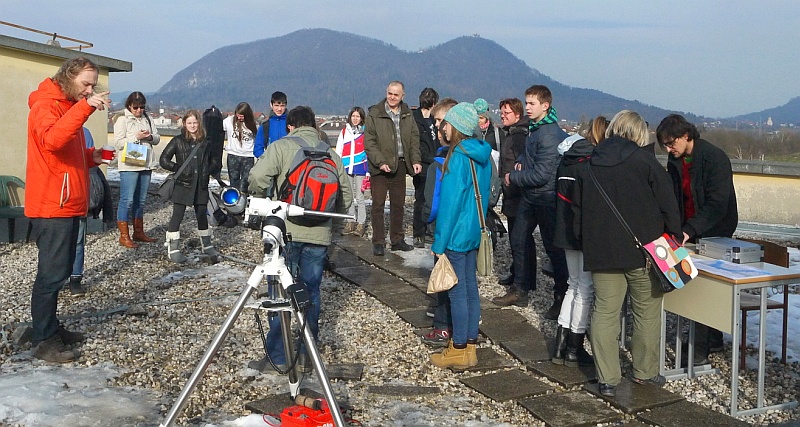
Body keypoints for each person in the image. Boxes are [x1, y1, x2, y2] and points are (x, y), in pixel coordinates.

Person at [574, 110, 681, 397]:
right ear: (638, 133)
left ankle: (607, 378)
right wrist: (674, 235)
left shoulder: (589, 163)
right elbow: (669, 206)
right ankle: (645, 372)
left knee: (605, 312)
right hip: (644, 252)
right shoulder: (646, 162)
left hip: (602, 252)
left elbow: (577, 212)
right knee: (646, 312)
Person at [247, 106, 353, 373]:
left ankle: (278, 355)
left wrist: (262, 202)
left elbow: (257, 177)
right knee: (311, 292)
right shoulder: (330, 153)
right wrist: (332, 227)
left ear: (291, 126)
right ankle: (307, 354)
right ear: (314, 125)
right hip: (319, 233)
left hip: (287, 232)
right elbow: (347, 197)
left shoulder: (282, 147)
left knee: (280, 293)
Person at [26, 56, 110, 362]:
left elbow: (63, 154)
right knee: (51, 274)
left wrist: (90, 157)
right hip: (53, 204)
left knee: (60, 271)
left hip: (67, 201)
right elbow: (51, 141)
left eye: (93, 86)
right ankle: (43, 339)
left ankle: (49, 327)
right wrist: (84, 108)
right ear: (68, 77)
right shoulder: (45, 106)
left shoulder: (66, 106)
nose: (89, 91)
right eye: (86, 84)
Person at [657, 113, 738, 364]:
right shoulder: (675, 160)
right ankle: (709, 339)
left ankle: (699, 347)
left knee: (705, 286)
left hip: (715, 230)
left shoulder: (715, 158)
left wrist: (689, 229)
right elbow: (675, 197)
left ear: (686, 135)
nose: (668, 149)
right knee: (693, 281)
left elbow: (717, 204)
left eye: (671, 143)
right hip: (689, 228)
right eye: (665, 145)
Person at [492, 85, 569, 322]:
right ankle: (520, 289)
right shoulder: (535, 130)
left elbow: (542, 174)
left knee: (554, 250)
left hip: (546, 198)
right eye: (526, 103)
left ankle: (561, 297)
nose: (527, 107)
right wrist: (522, 160)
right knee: (518, 240)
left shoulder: (549, 134)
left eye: (532, 103)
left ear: (545, 106)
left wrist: (513, 176)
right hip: (531, 196)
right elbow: (529, 156)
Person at [429, 99, 493, 369]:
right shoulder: (482, 154)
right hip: (474, 231)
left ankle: (457, 349)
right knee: (470, 290)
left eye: (446, 124)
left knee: (456, 293)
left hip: (455, 234)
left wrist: (439, 243)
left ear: (455, 127)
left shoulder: (457, 157)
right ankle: (470, 346)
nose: (442, 128)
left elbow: (449, 205)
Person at [551, 116, 609, 367]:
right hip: (584, 232)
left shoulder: (567, 159)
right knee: (585, 289)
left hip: (564, 230)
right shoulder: (592, 163)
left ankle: (560, 347)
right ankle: (574, 348)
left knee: (573, 285)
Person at [363, 80, 422, 256]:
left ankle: (397, 239)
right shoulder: (375, 113)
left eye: (396, 94)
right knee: (378, 205)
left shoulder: (408, 114)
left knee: (398, 205)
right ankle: (378, 241)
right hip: (379, 168)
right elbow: (369, 142)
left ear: (402, 96)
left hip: (401, 165)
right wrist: (380, 162)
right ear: (386, 92)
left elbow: (414, 139)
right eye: (390, 93)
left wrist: (416, 160)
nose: (392, 97)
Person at [420, 97, 458, 348]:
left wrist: (426, 220)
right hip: (464, 228)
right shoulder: (471, 157)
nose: (436, 126)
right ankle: (462, 325)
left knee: (443, 278)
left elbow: (432, 203)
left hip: (442, 228)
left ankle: (443, 325)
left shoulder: (440, 163)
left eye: (439, 121)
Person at [159, 110, 220, 263]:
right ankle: (173, 249)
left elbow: (215, 161)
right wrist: (178, 169)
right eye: (189, 123)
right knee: (177, 215)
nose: (192, 126)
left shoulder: (207, 141)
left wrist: (207, 170)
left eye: (195, 123)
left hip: (201, 184)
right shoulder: (177, 140)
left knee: (202, 215)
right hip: (183, 184)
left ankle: (206, 245)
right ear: (184, 124)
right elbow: (163, 159)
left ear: (199, 123)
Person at [66, 127, 114, 297]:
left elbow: (89, 164)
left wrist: (96, 159)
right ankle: (56, 277)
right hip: (57, 197)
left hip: (79, 193)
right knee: (57, 242)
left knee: (78, 240)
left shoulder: (84, 132)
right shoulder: (50, 129)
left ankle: (75, 278)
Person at [113, 91, 161, 248]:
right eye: (136, 107)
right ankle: (124, 236)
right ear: (129, 106)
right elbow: (118, 143)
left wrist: (149, 137)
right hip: (129, 165)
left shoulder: (148, 118)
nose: (139, 110)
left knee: (141, 200)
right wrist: (136, 137)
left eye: (142, 107)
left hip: (146, 164)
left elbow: (157, 138)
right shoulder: (122, 120)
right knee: (127, 200)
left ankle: (138, 232)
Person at [496, 98, 529, 287]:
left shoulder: (519, 137)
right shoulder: (511, 134)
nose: (502, 116)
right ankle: (517, 272)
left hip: (517, 193)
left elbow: (521, 164)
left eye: (506, 113)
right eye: (501, 112)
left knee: (519, 241)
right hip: (511, 193)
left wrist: (511, 181)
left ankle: (521, 281)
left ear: (517, 114)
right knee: (516, 239)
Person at [412, 87, 440, 248]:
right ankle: (419, 233)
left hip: (436, 164)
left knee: (434, 199)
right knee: (421, 200)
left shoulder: (435, 119)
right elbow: (416, 145)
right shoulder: (415, 119)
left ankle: (430, 231)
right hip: (422, 166)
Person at [335, 106, 368, 237]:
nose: (355, 119)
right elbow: (339, 150)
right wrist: (338, 166)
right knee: (348, 195)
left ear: (361, 118)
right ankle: (350, 221)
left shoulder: (365, 132)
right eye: (353, 116)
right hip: (346, 167)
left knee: (360, 196)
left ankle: (361, 223)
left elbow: (368, 151)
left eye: (357, 116)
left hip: (361, 168)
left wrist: (368, 171)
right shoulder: (344, 132)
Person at [223, 102, 258, 193]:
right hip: (233, 154)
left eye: (242, 116)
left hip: (248, 156)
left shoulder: (254, 124)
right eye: (238, 115)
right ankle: (234, 199)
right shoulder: (229, 121)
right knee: (234, 182)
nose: (239, 118)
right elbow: (218, 128)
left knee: (245, 182)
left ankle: (243, 198)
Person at [254, 91, 288, 158]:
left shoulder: (292, 124)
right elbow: (257, 148)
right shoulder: (265, 126)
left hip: (288, 161)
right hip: (271, 160)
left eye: (282, 106)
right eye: (276, 105)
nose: (279, 109)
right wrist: (266, 159)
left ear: (285, 105)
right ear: (271, 105)